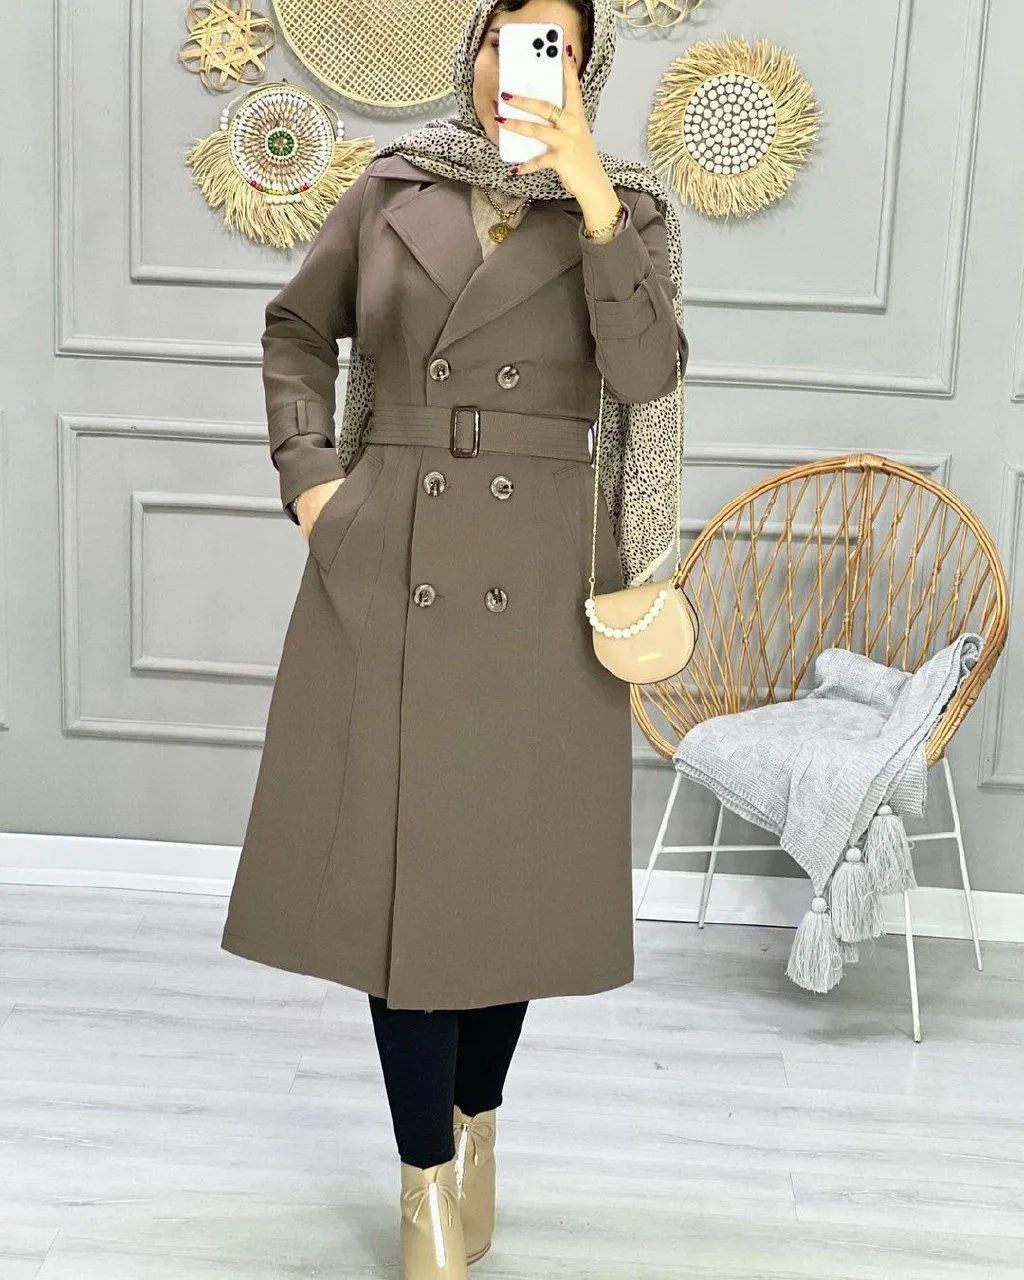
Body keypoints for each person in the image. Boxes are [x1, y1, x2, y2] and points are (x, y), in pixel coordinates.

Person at [220, 0, 688, 1273]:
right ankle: (423, 1177)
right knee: (404, 885)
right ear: (469, 51)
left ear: (584, 68)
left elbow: (646, 377)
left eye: (549, 46)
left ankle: (478, 1126)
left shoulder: (629, 213)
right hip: (392, 557)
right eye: (500, 38)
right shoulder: (393, 185)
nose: (514, 67)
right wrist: (315, 485)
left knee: (504, 882)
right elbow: (293, 330)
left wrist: (590, 196)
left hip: (542, 578)